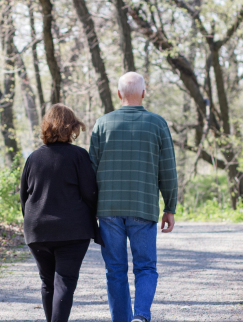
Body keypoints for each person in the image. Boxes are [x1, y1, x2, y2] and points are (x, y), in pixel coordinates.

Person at [89, 72, 178, 322]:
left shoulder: (102, 123)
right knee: (146, 267)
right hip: (143, 206)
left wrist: (91, 205)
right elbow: (167, 170)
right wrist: (170, 207)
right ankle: (140, 316)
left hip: (107, 209)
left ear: (119, 94)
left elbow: (90, 169)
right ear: (143, 93)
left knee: (115, 270)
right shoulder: (157, 124)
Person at [20, 103, 102, 322]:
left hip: (37, 230)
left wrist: (32, 222)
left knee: (47, 282)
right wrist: (96, 217)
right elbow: (90, 192)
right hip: (72, 231)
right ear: (72, 127)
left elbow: (24, 197)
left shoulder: (33, 158)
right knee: (64, 281)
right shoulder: (78, 156)